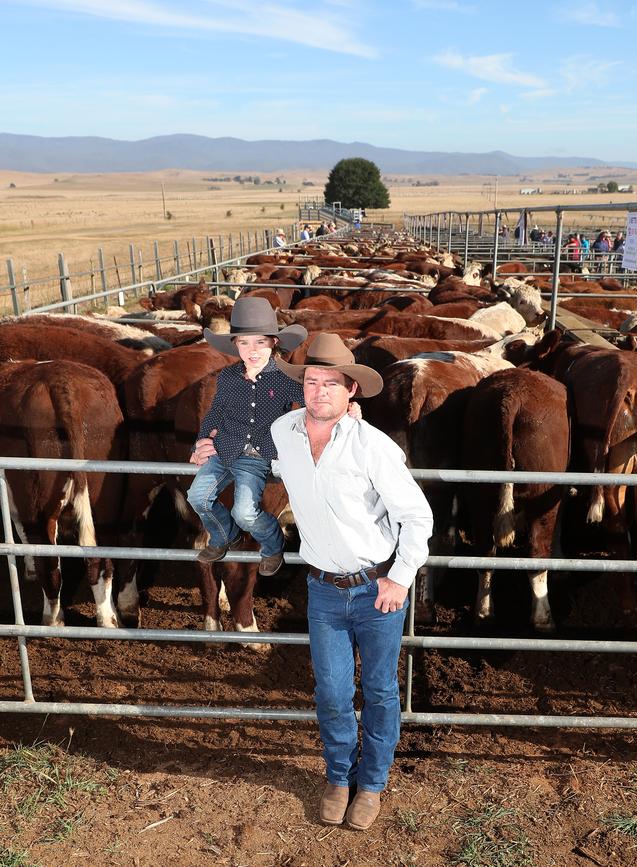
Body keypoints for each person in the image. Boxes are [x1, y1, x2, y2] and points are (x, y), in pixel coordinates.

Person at [271, 333, 433, 831]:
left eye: (332, 384)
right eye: (313, 381)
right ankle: (339, 777)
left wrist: (400, 579)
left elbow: (418, 516)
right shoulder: (284, 431)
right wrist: (209, 446)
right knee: (334, 693)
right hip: (321, 589)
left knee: (381, 690)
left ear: (351, 393)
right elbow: (253, 451)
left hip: (375, 588)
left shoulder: (372, 446)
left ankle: (373, 784)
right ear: (303, 387)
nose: (320, 391)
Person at [187, 297, 307, 575]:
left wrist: (347, 408)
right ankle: (224, 536)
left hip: (257, 456)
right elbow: (216, 412)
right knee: (197, 497)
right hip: (224, 449)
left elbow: (312, 403)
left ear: (273, 343)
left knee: (245, 512)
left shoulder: (285, 378)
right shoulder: (228, 377)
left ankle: (273, 544)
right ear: (235, 345)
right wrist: (201, 441)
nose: (252, 350)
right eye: (244, 343)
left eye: (260, 342)